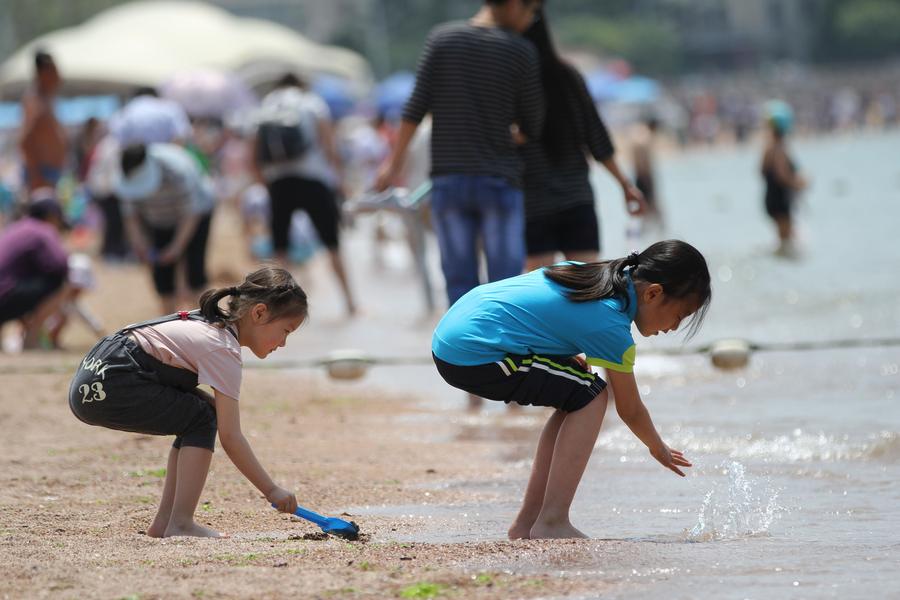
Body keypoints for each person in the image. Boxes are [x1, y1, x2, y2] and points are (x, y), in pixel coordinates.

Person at [431, 239, 711, 539]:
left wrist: (559, 355)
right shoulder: (610, 324)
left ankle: (529, 523)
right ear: (653, 293)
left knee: (578, 392)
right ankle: (551, 521)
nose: (672, 328)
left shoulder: (587, 275)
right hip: (476, 354)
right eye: (679, 317)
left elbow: (540, 312)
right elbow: (629, 408)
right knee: (592, 395)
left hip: (454, 336)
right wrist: (658, 447)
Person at [68, 266, 308, 538]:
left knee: (201, 413)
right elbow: (231, 437)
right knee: (202, 418)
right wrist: (271, 489)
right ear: (259, 313)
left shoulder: (210, 323)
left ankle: (165, 522)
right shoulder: (223, 348)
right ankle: (180, 523)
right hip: (113, 380)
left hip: (94, 373)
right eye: (286, 331)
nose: (284, 343)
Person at [375, 0, 545, 306]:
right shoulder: (520, 50)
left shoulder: (442, 38)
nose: (531, 19)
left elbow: (415, 108)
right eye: (531, 10)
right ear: (514, 4)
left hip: (449, 180)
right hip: (498, 179)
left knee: (459, 283)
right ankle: (503, 350)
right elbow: (533, 123)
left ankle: (464, 351)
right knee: (505, 285)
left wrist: (392, 165)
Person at [520, 9, 644, 272]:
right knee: (588, 285)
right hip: (576, 197)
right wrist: (625, 185)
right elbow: (597, 138)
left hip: (532, 202)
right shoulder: (568, 76)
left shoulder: (512, 80)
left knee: (536, 292)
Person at [252, 74, 356, 316]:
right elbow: (328, 144)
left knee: (280, 249)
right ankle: (350, 303)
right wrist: (340, 180)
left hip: (279, 182)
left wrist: (265, 183)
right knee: (333, 244)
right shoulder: (312, 103)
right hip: (314, 179)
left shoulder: (267, 104)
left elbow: (254, 152)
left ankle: (277, 307)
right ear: (301, 84)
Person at [118, 143, 216, 314]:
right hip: (158, 220)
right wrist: (141, 244)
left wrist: (176, 247)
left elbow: (191, 213)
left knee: (195, 273)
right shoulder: (124, 175)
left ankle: (206, 322)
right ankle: (168, 321)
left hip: (196, 214)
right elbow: (130, 216)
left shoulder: (177, 170)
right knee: (162, 278)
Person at [0, 196, 70, 350]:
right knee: (61, 283)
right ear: (52, 216)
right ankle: (31, 339)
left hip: (5, 295)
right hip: (6, 298)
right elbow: (61, 266)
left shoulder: (15, 227)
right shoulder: (43, 229)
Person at [760, 100, 807, 258]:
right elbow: (782, 175)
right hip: (780, 199)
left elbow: (761, 172)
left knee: (785, 240)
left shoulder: (767, 147)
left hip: (770, 198)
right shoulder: (779, 147)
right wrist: (799, 183)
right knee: (786, 242)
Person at [18, 50, 67, 193]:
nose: (58, 76)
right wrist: (36, 176)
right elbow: (25, 141)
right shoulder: (35, 101)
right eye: (54, 70)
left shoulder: (46, 98)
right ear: (44, 72)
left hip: (49, 172)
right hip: (41, 174)